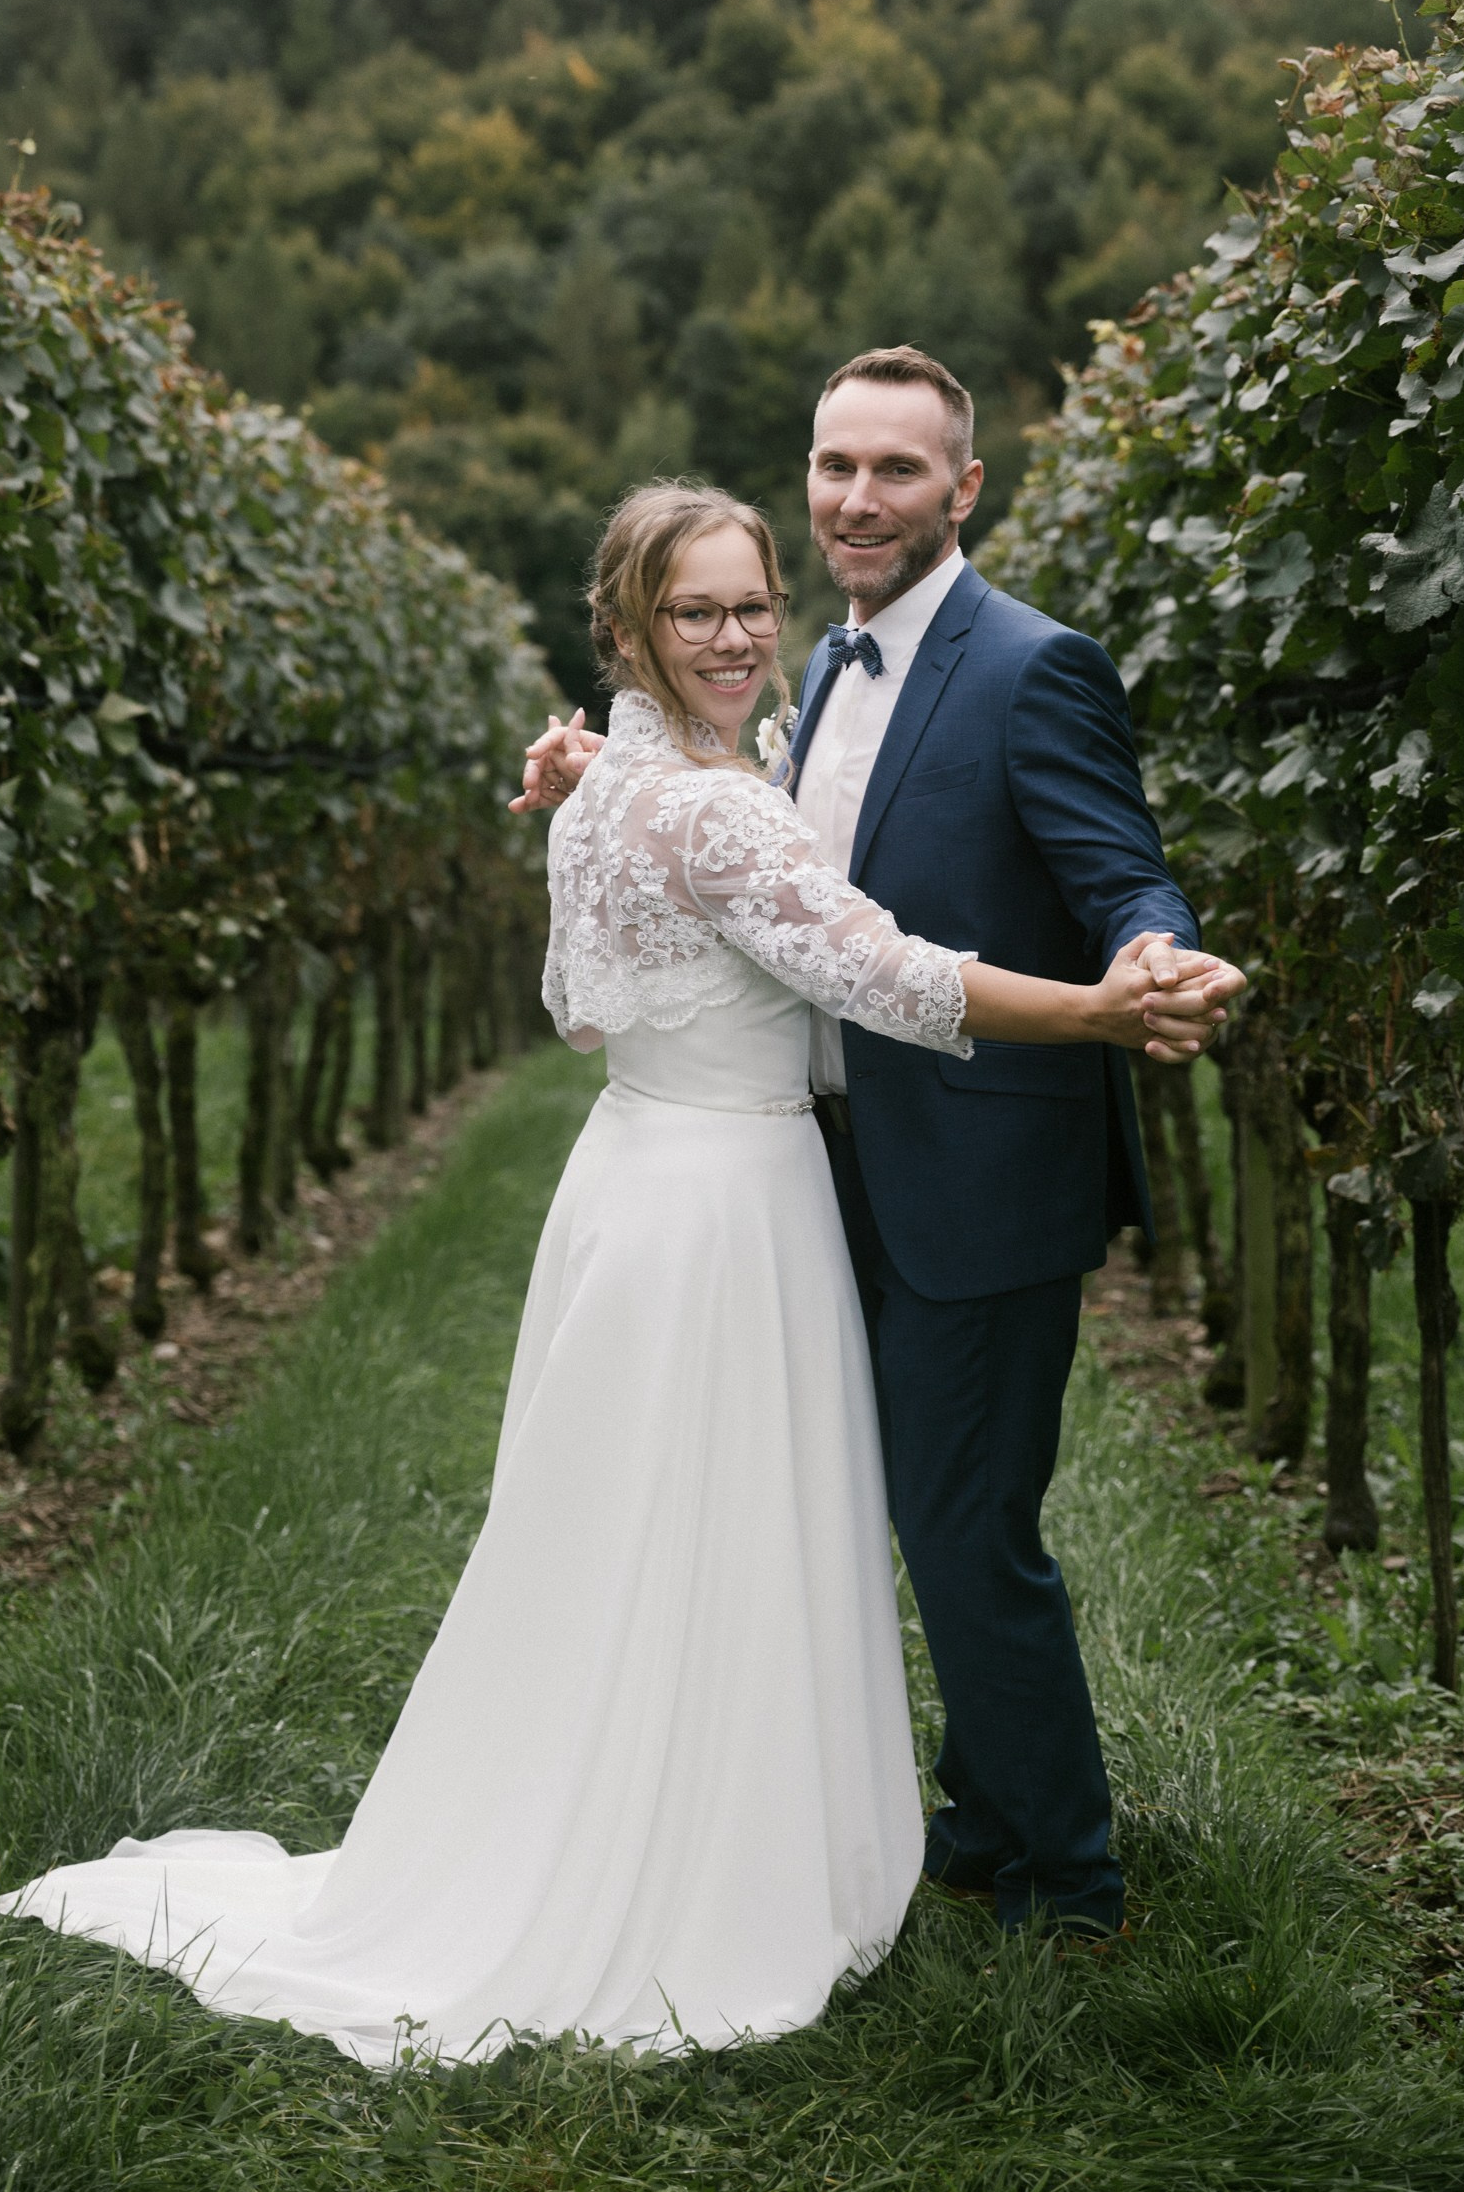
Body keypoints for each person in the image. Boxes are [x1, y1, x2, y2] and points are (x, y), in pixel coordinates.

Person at [0, 481, 1232, 2064]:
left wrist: (604, 762)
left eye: (747, 606)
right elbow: (885, 972)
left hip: (648, 1176)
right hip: (727, 1198)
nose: (732, 636)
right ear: (630, 630)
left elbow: (610, 983)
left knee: (646, 1521)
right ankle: (709, 1860)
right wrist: (1101, 1017)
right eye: (693, 613)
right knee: (721, 1519)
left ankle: (671, 1802)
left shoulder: (636, 784)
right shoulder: (700, 805)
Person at [517, 351, 1239, 1942]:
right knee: (894, 1510)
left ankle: (1071, 1883)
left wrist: (1157, 964)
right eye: (835, 465)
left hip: (979, 1166)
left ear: (962, 489)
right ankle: (982, 1826)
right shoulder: (816, 673)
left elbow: (1126, 870)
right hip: (816, 1160)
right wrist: (605, 771)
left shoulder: (1035, 665)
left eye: (897, 470)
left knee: (969, 1525)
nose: (857, 497)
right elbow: (754, 842)